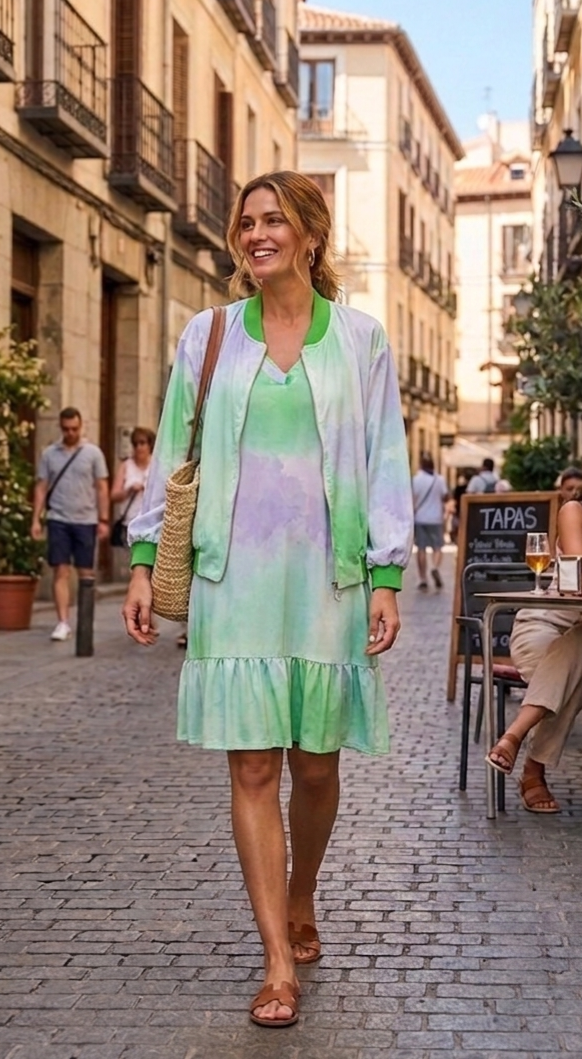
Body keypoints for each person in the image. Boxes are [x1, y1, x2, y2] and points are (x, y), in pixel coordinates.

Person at [122, 171, 413, 1027]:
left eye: (273, 220)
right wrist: (143, 559)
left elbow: (384, 457)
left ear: (310, 235)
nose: (256, 234)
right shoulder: (208, 335)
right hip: (233, 583)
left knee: (316, 767)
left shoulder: (360, 340)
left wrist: (386, 576)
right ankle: (276, 960)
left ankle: (302, 889)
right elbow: (174, 450)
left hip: (327, 582)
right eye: (246, 222)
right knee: (253, 766)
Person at [486, 494, 582, 813]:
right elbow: (579, 569)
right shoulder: (574, 511)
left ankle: (514, 736)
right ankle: (532, 768)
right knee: (576, 661)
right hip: (542, 627)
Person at [32, 407, 109, 641]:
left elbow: (102, 487)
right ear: (60, 427)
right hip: (58, 518)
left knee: (86, 572)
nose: (70, 433)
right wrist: (36, 519)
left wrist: (104, 519)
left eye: (74, 429)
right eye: (66, 429)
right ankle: (63, 621)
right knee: (61, 570)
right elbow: (41, 487)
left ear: (80, 426)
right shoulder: (49, 454)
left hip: (86, 519)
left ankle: (85, 617)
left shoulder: (93, 453)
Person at [110, 427, 155, 545]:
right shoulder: (126, 466)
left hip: (151, 523)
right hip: (130, 523)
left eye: (142, 443)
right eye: (135, 444)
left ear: (150, 445)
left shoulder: (156, 465)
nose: (138, 447)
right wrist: (129, 490)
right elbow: (114, 495)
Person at [411, 453, 449, 590]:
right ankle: (435, 567)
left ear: (421, 465)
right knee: (437, 547)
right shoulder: (440, 480)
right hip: (436, 519)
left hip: (420, 518)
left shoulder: (416, 480)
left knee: (421, 548)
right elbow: (445, 497)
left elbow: (412, 499)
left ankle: (423, 579)